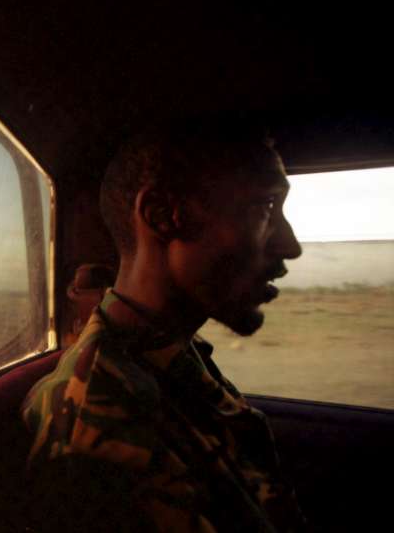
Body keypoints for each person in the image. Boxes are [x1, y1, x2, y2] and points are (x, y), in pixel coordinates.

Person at [21, 118, 308, 532]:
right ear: (162, 215)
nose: (291, 245)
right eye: (264, 208)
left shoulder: (170, 353)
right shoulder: (97, 428)